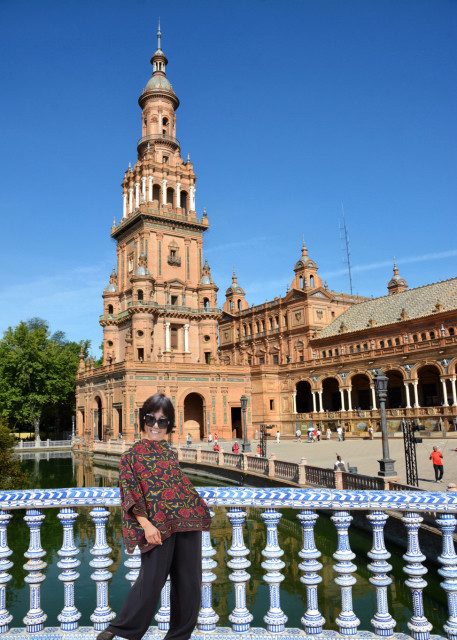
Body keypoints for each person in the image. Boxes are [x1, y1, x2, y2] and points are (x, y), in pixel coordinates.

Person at [97, 393, 211, 640]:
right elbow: (130, 493)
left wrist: (197, 506)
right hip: (157, 527)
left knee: (189, 584)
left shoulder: (169, 453)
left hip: (186, 523)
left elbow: (176, 484)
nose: (156, 426)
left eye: (163, 421)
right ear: (143, 420)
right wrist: (146, 524)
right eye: (151, 419)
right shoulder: (130, 457)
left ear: (169, 425)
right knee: (150, 581)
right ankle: (120, 630)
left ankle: (178, 637)